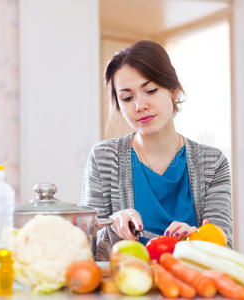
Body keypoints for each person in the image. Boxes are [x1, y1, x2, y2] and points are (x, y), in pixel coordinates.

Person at [80, 40, 232, 261]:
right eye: (127, 98)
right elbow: (86, 251)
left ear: (173, 90)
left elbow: (225, 251)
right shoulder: (103, 158)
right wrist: (114, 226)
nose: (139, 105)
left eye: (150, 90)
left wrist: (199, 241)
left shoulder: (213, 162)